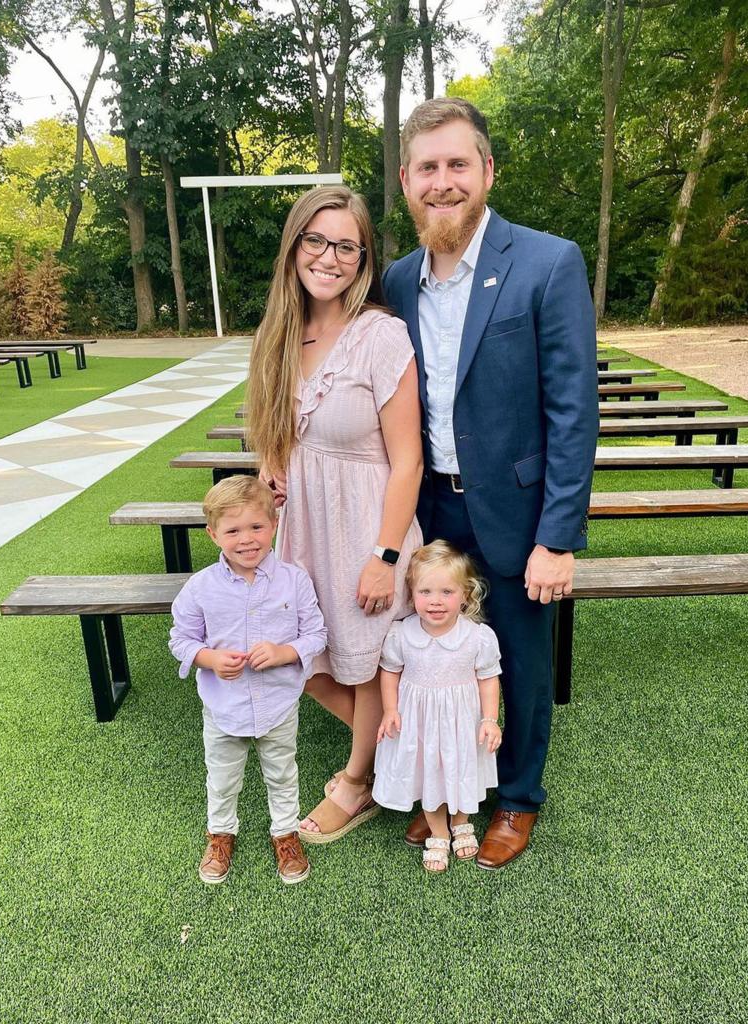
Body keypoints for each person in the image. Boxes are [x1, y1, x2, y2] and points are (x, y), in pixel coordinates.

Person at [382, 97, 599, 869]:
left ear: (487, 171)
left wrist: (557, 537)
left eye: (458, 165)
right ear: (406, 180)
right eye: (427, 168)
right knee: (436, 653)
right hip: (430, 509)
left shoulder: (547, 260)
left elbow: (574, 409)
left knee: (518, 659)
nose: (443, 182)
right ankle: (444, 790)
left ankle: (517, 799)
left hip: (517, 510)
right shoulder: (397, 280)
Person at [247, 185, 423, 844]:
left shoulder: (380, 335)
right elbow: (279, 435)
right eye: (316, 240)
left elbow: (408, 460)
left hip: (367, 525)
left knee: (369, 660)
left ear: (364, 258)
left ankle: (358, 781)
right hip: (304, 527)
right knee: (304, 661)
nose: (330, 256)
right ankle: (400, 751)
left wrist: (384, 558)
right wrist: (274, 465)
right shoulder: (281, 335)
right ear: (294, 247)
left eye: (346, 245)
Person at [168, 475, 327, 885]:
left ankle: (285, 833)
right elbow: (181, 640)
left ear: (273, 524)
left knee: (282, 772)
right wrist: (209, 658)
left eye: (257, 526)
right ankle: (221, 834)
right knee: (222, 776)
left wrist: (284, 652)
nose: (247, 539)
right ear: (213, 534)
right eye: (233, 530)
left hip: (278, 704)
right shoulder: (200, 587)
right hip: (225, 707)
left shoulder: (295, 580)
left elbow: (315, 634)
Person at [373, 541, 502, 873]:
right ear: (412, 593)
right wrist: (390, 710)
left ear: (465, 595)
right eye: (425, 591)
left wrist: (489, 718)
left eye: (447, 591)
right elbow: (390, 672)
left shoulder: (476, 638)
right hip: (420, 723)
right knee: (428, 771)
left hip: (462, 722)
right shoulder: (402, 635)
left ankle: (461, 821)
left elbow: (488, 678)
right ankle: (439, 830)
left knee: (461, 767)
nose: (435, 601)